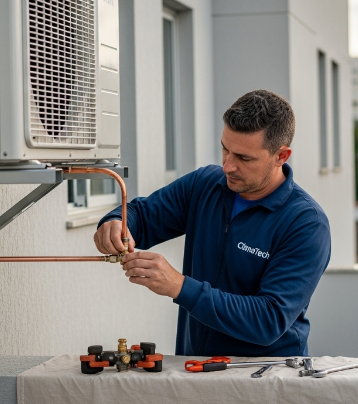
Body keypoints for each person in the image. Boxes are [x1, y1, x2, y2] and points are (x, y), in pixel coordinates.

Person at [94, 89, 331, 357]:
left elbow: (268, 321)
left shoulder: (306, 224)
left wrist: (180, 287)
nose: (228, 166)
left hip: (267, 378)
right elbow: (142, 215)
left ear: (281, 156)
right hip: (196, 366)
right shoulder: (204, 185)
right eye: (225, 149)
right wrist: (115, 222)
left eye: (244, 158)